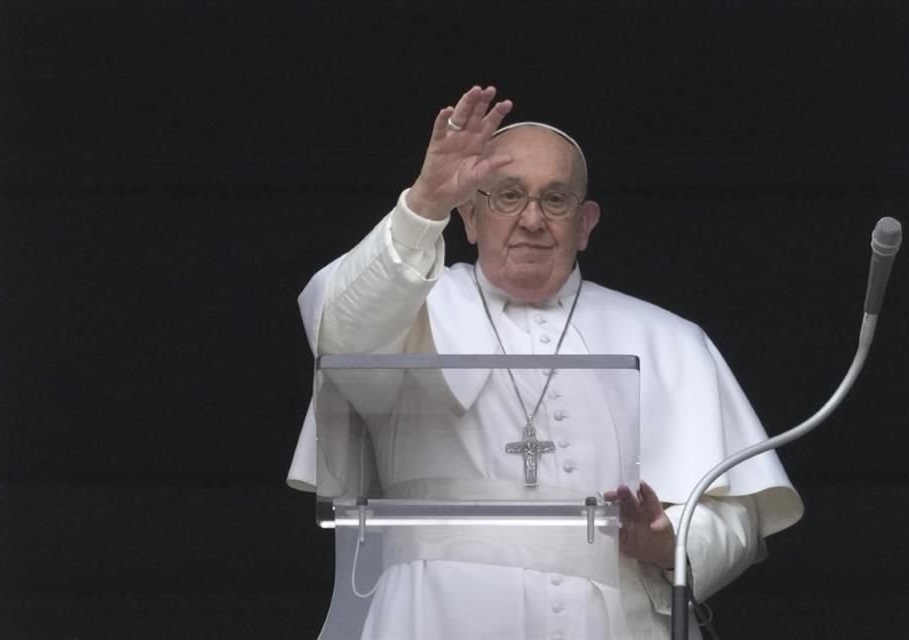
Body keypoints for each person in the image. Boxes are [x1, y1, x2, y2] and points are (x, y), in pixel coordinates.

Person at [288, 86, 804, 639]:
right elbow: (338, 334)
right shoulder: (409, 307)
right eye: (507, 196)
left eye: (555, 200)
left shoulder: (668, 339)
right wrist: (422, 205)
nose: (531, 219)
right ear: (469, 215)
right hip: (432, 618)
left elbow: (735, 514)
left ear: (585, 223)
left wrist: (667, 538)